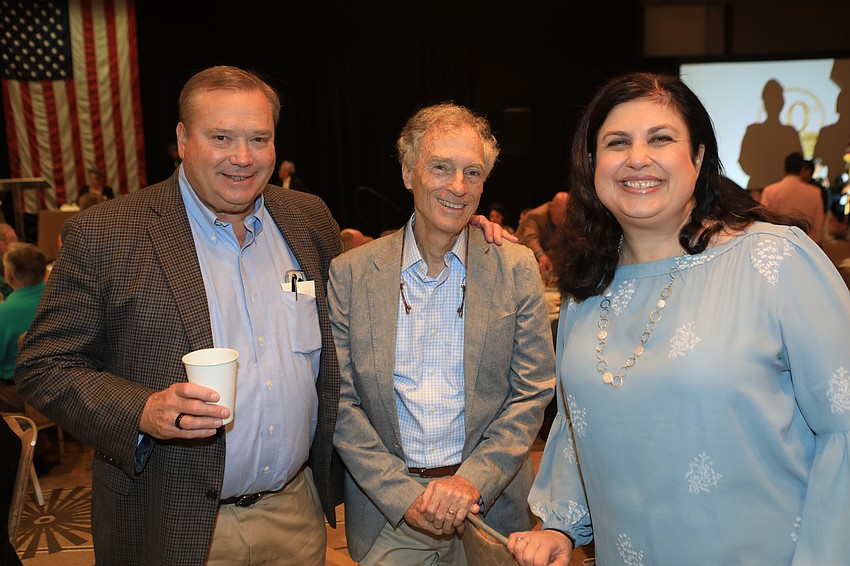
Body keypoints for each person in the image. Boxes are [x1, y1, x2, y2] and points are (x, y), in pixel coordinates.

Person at [15, 66, 514, 566]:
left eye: (259, 138)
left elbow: (370, 296)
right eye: (221, 137)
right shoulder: (109, 234)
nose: (243, 157)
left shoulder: (306, 219)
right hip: (173, 517)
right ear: (183, 140)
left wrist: (470, 233)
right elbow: (44, 363)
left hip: (294, 514)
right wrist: (141, 411)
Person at [508, 72, 850, 565]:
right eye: (616, 142)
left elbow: (843, 431)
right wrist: (561, 527)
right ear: (591, 165)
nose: (637, 158)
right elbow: (575, 424)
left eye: (661, 138)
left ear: (698, 159)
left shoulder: (773, 263)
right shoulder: (585, 289)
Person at [328, 102, 555, 564]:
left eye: (473, 173)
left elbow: (532, 391)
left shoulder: (514, 267)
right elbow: (339, 400)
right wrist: (402, 496)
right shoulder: (351, 274)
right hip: (389, 515)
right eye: (441, 168)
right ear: (409, 172)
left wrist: (472, 481)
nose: (458, 187)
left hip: (490, 513)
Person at [0, 243, 46, 414]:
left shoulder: (4, 313)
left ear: (9, 274)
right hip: (65, 386)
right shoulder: (62, 299)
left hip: (21, 394)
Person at [738, 78, 803, 190]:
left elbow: (800, 164)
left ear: (782, 102)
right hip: (756, 191)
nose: (774, 103)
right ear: (765, 102)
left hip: (785, 190)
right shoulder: (753, 130)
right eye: (770, 99)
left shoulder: (790, 133)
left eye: (777, 99)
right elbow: (743, 160)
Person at [760, 152, 825, 244]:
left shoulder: (770, 191)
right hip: (806, 245)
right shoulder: (815, 192)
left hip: (776, 243)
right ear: (801, 169)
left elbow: (763, 223)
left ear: (784, 167)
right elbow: (818, 225)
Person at [516, 191, 568, 275]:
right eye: (560, 214)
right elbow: (530, 238)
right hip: (523, 258)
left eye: (566, 215)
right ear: (550, 206)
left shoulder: (566, 220)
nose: (563, 218)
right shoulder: (535, 216)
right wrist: (541, 256)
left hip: (548, 262)